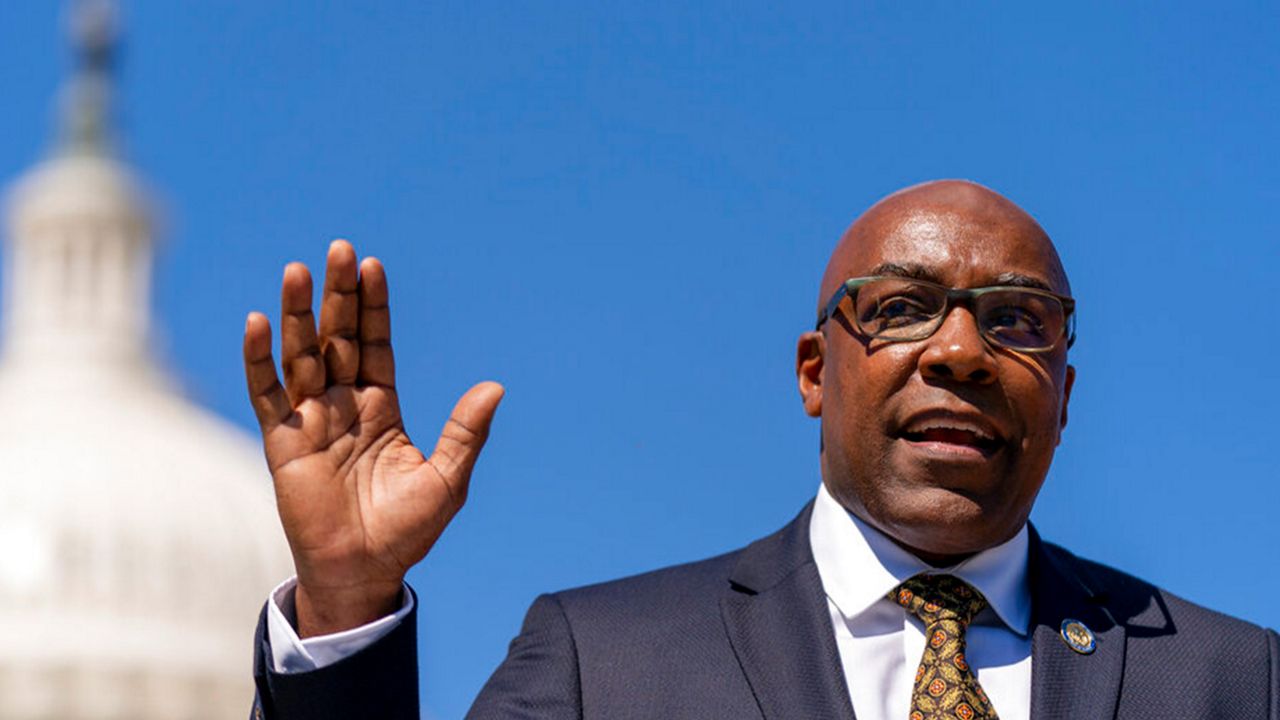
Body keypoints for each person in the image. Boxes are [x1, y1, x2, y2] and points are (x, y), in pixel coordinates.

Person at [243, 180, 1278, 720]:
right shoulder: (605, 667)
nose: (959, 351)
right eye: (902, 308)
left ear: (1062, 395)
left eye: (1015, 321)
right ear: (813, 372)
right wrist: (346, 609)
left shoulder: (1230, 681)